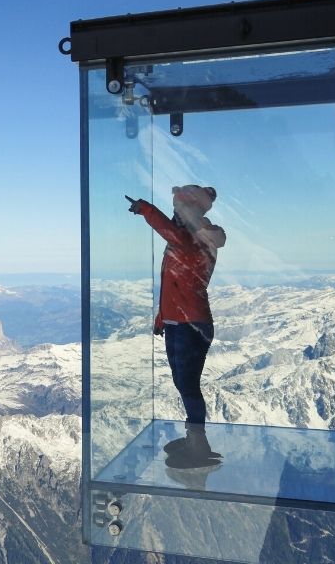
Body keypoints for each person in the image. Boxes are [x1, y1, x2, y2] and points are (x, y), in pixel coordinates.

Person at [127, 185, 225, 469]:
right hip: (178, 321)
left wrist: (146, 209)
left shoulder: (197, 238)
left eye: (179, 208)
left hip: (191, 323)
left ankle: (199, 444)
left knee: (188, 384)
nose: (174, 214)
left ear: (192, 210)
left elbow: (172, 234)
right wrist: (162, 319)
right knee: (182, 383)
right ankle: (193, 439)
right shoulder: (185, 238)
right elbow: (172, 285)